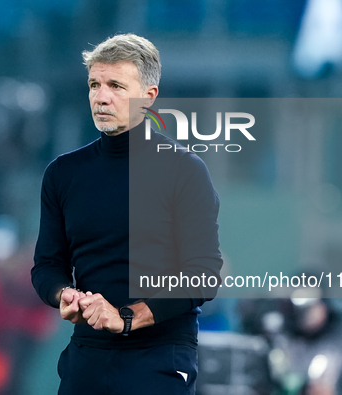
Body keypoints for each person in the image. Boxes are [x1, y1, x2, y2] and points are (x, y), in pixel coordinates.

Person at [31, 33, 222, 395]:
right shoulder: (63, 174)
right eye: (94, 84)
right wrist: (64, 295)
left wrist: (127, 317)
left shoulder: (184, 171)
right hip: (86, 354)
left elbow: (203, 274)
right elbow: (47, 266)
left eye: (116, 85)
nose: (101, 97)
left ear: (148, 97)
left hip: (160, 357)